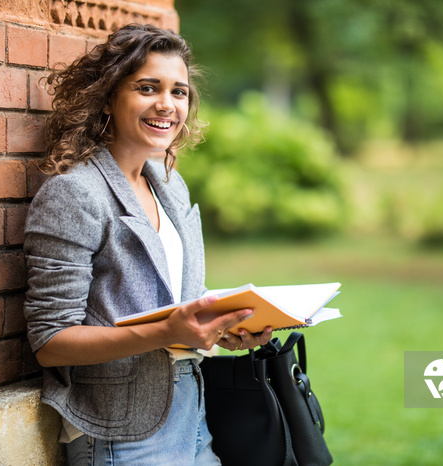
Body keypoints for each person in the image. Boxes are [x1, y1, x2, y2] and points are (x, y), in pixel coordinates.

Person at [23, 23, 273, 465]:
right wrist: (168, 332)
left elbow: (174, 306)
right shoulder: (75, 193)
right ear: (107, 97)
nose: (167, 105)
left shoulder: (170, 187)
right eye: (147, 88)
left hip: (192, 413)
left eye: (179, 92)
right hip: (120, 430)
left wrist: (220, 331)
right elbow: (50, 340)